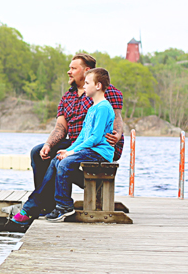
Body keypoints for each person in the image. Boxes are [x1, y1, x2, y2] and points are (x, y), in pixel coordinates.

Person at [21, 53, 124, 217]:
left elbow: (116, 118)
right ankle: (47, 204)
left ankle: (39, 204)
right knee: (38, 152)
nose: (69, 72)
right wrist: (48, 144)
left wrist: (117, 135)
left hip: (98, 146)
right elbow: (60, 128)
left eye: (73, 68)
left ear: (86, 70)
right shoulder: (67, 97)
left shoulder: (105, 91)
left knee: (62, 161)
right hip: (77, 142)